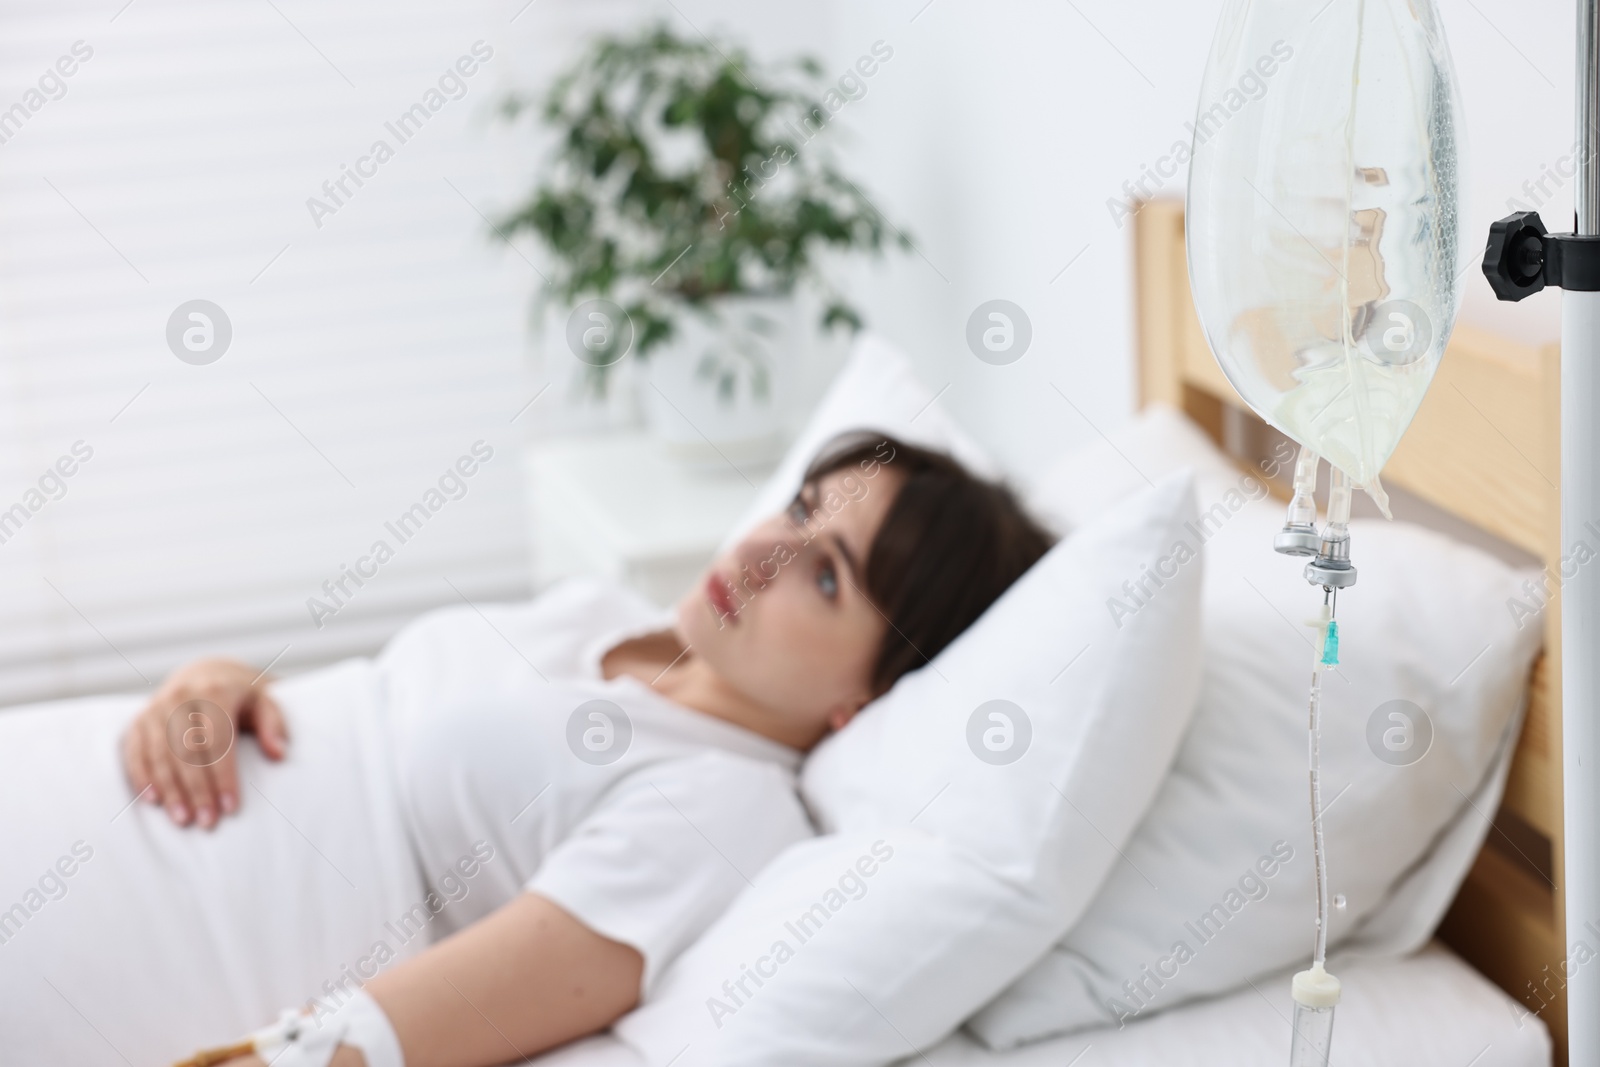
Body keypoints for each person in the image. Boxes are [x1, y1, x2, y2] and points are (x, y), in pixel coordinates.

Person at [125, 432, 1054, 1067]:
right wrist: (215, 681)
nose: (768, 546)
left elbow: (371, 1041)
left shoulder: (724, 807)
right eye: (802, 508)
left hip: (150, 931)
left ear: (876, 691)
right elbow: (378, 707)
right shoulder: (609, 617)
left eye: (823, 575)